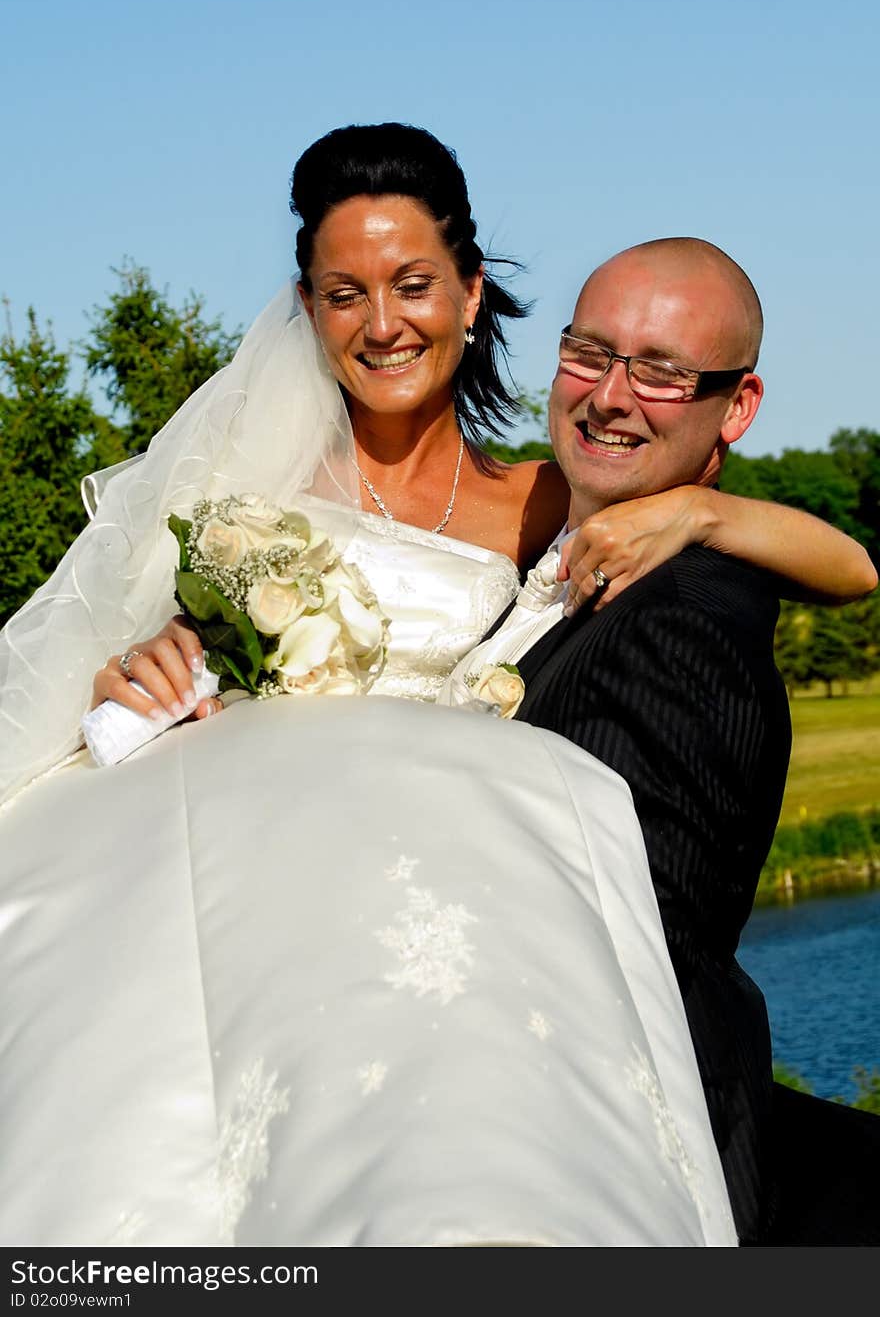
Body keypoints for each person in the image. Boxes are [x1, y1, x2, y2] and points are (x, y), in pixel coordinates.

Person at [0, 127, 874, 1248]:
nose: (383, 324)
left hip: (425, 924)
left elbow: (850, 570)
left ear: (470, 293)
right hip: (244, 867)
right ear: (308, 310)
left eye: (413, 285)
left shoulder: (554, 500)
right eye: (343, 293)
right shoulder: (239, 495)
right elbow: (132, 677)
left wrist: (707, 510)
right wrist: (133, 675)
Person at [442, 235, 880, 1245]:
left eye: (662, 372)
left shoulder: (682, 623)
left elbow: (640, 960)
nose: (609, 394)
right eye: (588, 353)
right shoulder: (538, 550)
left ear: (736, 407)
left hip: (582, 1169)